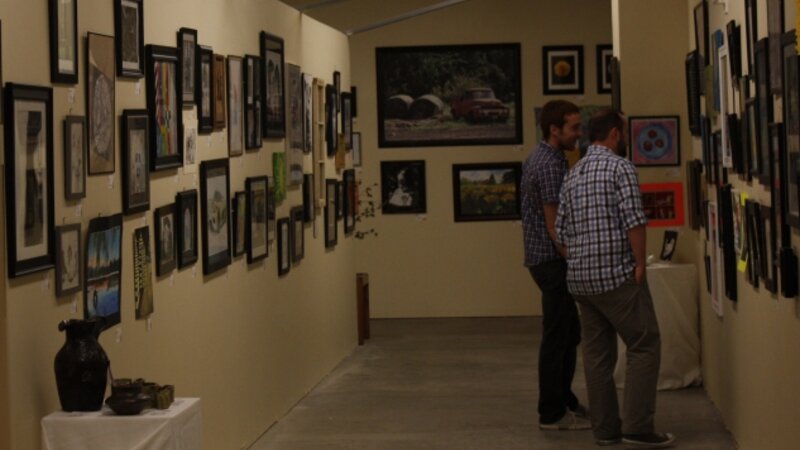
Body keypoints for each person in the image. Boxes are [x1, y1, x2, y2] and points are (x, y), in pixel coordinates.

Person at [555, 109, 675, 448]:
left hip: (580, 282)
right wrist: (639, 263)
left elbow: (560, 232)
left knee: (596, 356)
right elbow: (634, 220)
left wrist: (580, 259)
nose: (624, 137)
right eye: (623, 131)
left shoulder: (574, 173)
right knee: (644, 344)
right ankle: (637, 427)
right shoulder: (621, 168)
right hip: (616, 276)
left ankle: (605, 431)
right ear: (614, 135)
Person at [521, 99, 589, 430]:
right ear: (554, 129)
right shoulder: (549, 165)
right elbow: (554, 225)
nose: (578, 133)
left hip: (545, 259)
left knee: (568, 333)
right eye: (574, 127)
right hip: (551, 261)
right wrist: (574, 260)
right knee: (557, 335)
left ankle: (565, 399)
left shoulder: (544, 156)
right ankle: (551, 412)